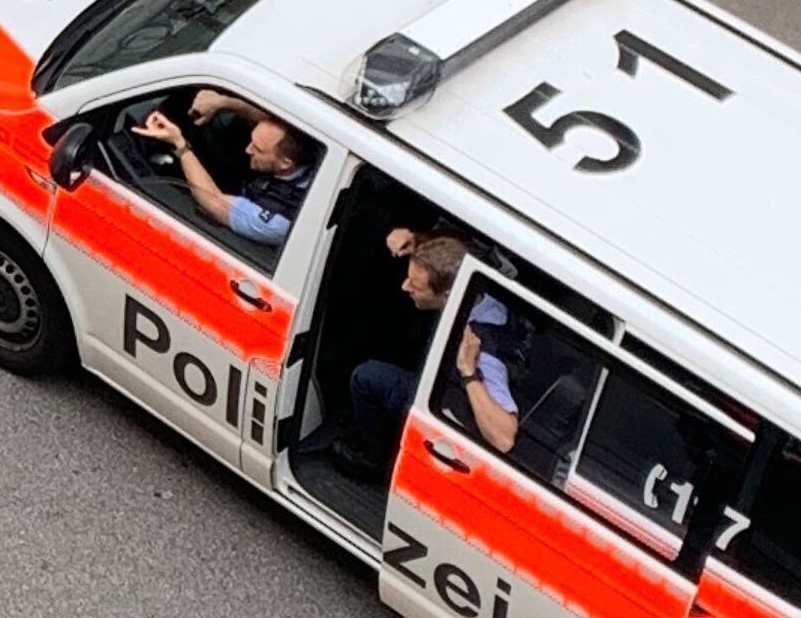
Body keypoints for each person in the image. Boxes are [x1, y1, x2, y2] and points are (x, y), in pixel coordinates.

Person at [336, 231, 526, 471]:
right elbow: (454, 255)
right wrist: (415, 241)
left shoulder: (484, 355)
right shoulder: (482, 287)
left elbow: (504, 438)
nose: (404, 286)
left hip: (451, 409)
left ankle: (376, 459)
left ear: (449, 294)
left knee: (366, 378)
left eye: (415, 285)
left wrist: (468, 372)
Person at [132, 93, 315, 245]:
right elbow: (265, 118)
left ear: (285, 163)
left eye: (257, 149)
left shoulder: (279, 221)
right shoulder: (308, 143)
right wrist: (223, 102)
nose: (248, 149)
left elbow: (213, 202)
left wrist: (179, 145)